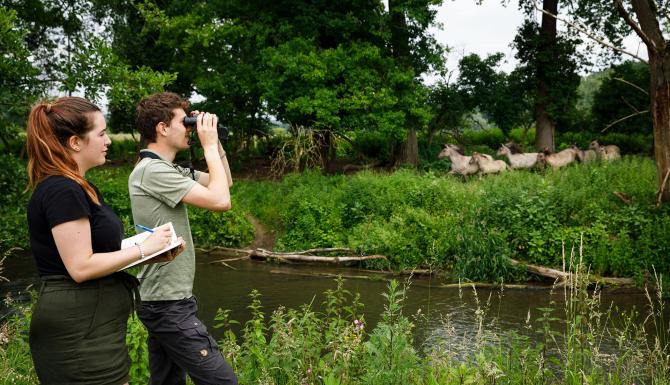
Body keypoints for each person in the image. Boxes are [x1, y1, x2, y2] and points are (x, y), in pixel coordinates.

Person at [25, 96, 183, 385]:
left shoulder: (80, 186)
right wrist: (142, 248)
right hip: (78, 329)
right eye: (101, 133)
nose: (108, 140)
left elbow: (94, 252)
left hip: (95, 324)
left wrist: (150, 253)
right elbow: (80, 267)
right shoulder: (62, 190)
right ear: (75, 142)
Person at [129, 92, 237, 385]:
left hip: (168, 301)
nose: (190, 128)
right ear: (162, 128)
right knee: (223, 381)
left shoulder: (165, 168)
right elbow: (220, 202)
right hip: (167, 305)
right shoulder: (152, 171)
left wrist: (216, 144)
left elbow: (223, 183)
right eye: (184, 122)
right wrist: (208, 144)